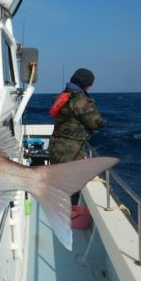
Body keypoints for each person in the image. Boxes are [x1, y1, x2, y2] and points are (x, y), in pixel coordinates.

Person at [48, 68, 105, 205]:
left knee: (56, 181)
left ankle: (55, 207)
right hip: (71, 152)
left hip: (55, 146)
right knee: (71, 187)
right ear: (87, 85)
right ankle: (68, 214)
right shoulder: (81, 100)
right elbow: (96, 123)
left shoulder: (61, 96)